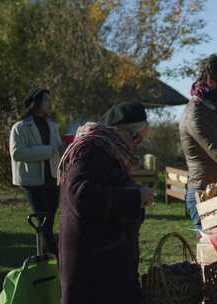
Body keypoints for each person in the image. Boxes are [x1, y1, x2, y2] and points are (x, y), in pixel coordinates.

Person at [57, 101, 153, 304]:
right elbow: (80, 196)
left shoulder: (106, 150)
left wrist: (136, 199)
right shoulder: (90, 149)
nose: (136, 145)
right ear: (121, 132)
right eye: (136, 138)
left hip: (106, 262)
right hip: (93, 268)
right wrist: (136, 197)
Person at [180, 54, 217, 230]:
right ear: (211, 81)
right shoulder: (196, 113)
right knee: (212, 254)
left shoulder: (216, 109)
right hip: (204, 194)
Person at [9, 88, 64, 255]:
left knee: (48, 221)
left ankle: (45, 258)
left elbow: (57, 148)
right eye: (46, 100)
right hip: (32, 182)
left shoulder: (53, 125)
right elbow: (17, 153)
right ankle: (57, 258)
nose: (50, 103)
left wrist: (67, 147)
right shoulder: (19, 127)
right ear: (35, 103)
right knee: (44, 222)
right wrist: (49, 150)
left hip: (53, 179)